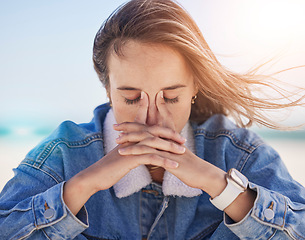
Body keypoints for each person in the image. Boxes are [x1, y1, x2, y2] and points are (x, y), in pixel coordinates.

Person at [1, 0, 305, 239]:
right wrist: (82, 186)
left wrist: (218, 184)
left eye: (170, 96)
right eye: (131, 97)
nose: (152, 119)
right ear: (107, 90)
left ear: (195, 86)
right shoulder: (65, 153)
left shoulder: (238, 152)